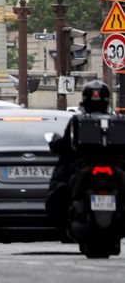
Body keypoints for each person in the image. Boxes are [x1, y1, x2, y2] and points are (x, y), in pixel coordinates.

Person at [46, 80, 115, 226]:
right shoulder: (117, 121)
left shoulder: (77, 121)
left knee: (60, 185)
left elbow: (63, 144)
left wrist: (54, 143)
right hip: (108, 170)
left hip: (83, 169)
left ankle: (63, 222)